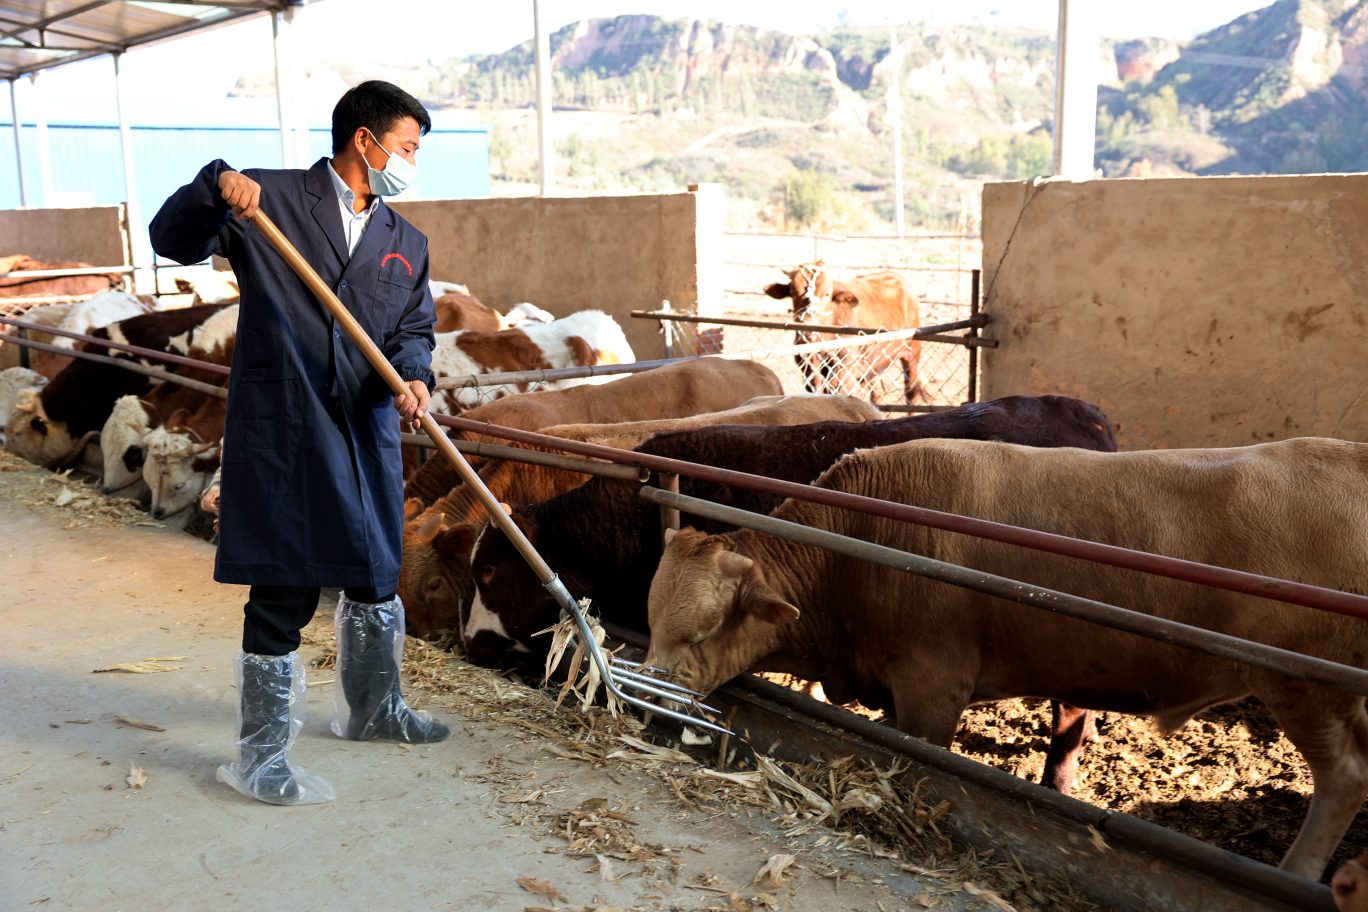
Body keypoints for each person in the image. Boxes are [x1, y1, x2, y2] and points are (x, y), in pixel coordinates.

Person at [151, 80, 454, 807]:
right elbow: (173, 241)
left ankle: (375, 712)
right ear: (366, 140)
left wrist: (415, 379)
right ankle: (261, 759)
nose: (410, 162)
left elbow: (413, 330)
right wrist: (213, 185)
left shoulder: (404, 241)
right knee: (283, 589)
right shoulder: (270, 202)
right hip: (286, 433)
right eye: (407, 148)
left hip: (366, 431)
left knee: (378, 575)